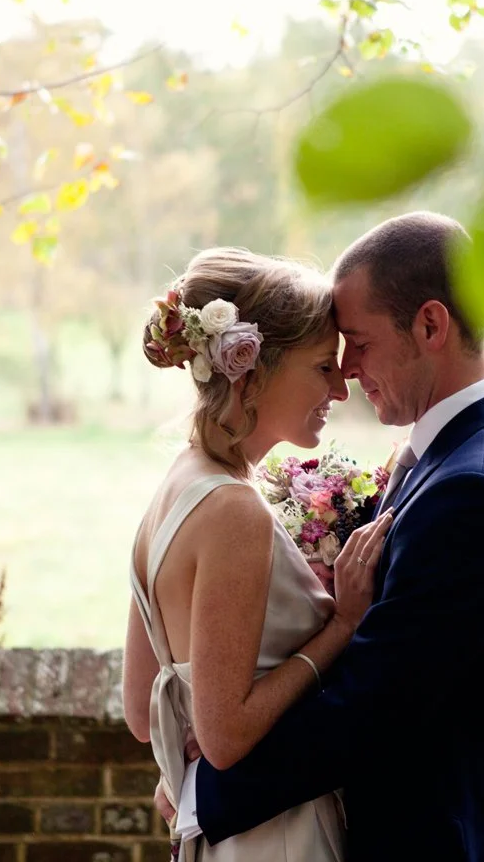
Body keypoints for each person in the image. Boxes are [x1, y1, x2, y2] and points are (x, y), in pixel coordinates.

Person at [174, 212, 484, 862]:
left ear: (431, 326)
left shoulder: (475, 491)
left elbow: (371, 709)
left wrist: (203, 792)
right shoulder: (460, 453)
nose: (346, 371)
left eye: (359, 341)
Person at [123, 247, 394, 861]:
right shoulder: (234, 511)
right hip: (278, 835)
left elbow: (143, 710)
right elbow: (225, 738)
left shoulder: (174, 486)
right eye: (323, 367)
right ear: (253, 368)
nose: (339, 389)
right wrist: (343, 626)